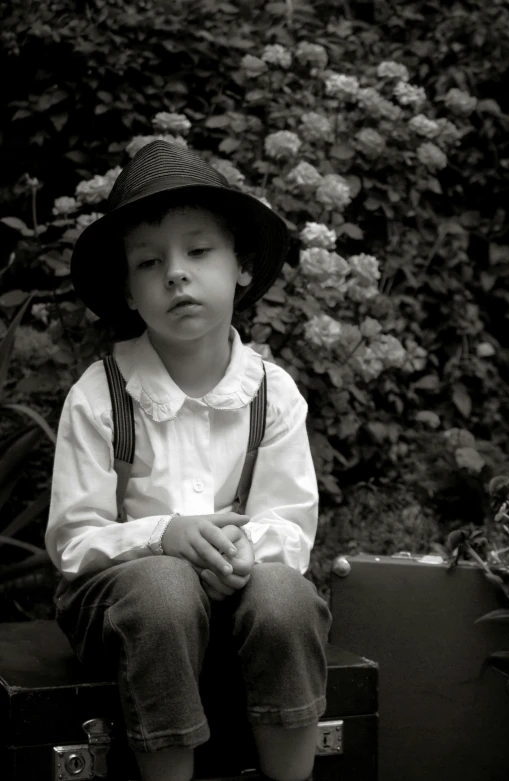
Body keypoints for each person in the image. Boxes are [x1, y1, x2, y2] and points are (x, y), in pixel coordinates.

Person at [45, 140, 332, 781]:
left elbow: (289, 528)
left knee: (286, 594)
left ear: (242, 267)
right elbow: (73, 543)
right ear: (127, 289)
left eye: (198, 252)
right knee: (166, 587)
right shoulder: (101, 395)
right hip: (123, 611)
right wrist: (164, 537)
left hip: (238, 603)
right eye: (150, 262)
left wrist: (240, 553)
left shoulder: (272, 392)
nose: (175, 273)